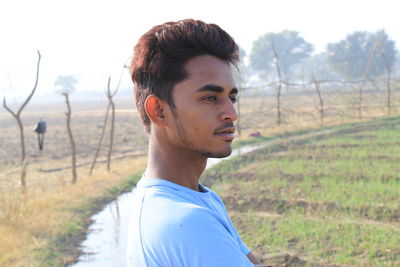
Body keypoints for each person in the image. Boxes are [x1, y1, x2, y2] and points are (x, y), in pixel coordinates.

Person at [127, 19, 268, 267]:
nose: (231, 113)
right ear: (159, 110)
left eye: (231, 98)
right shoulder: (187, 222)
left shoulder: (201, 199)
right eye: (210, 98)